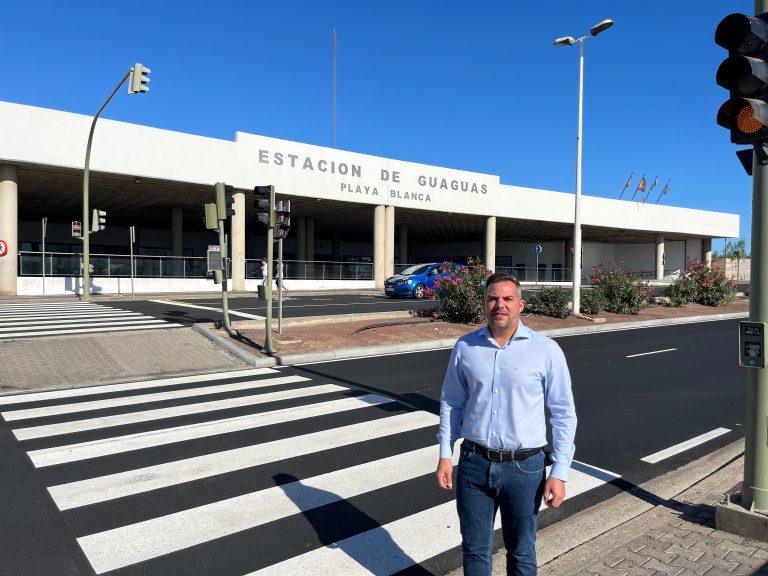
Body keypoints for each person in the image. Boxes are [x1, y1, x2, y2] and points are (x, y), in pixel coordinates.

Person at [436, 272, 576, 576]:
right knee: (474, 550)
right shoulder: (466, 347)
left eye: (507, 298)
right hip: (474, 463)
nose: (500, 304)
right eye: (493, 298)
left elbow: (563, 413)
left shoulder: (546, 350)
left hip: (525, 469)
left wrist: (560, 471)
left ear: (521, 305)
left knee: (522, 551)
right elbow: (452, 402)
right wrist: (445, 453)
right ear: (484, 304)